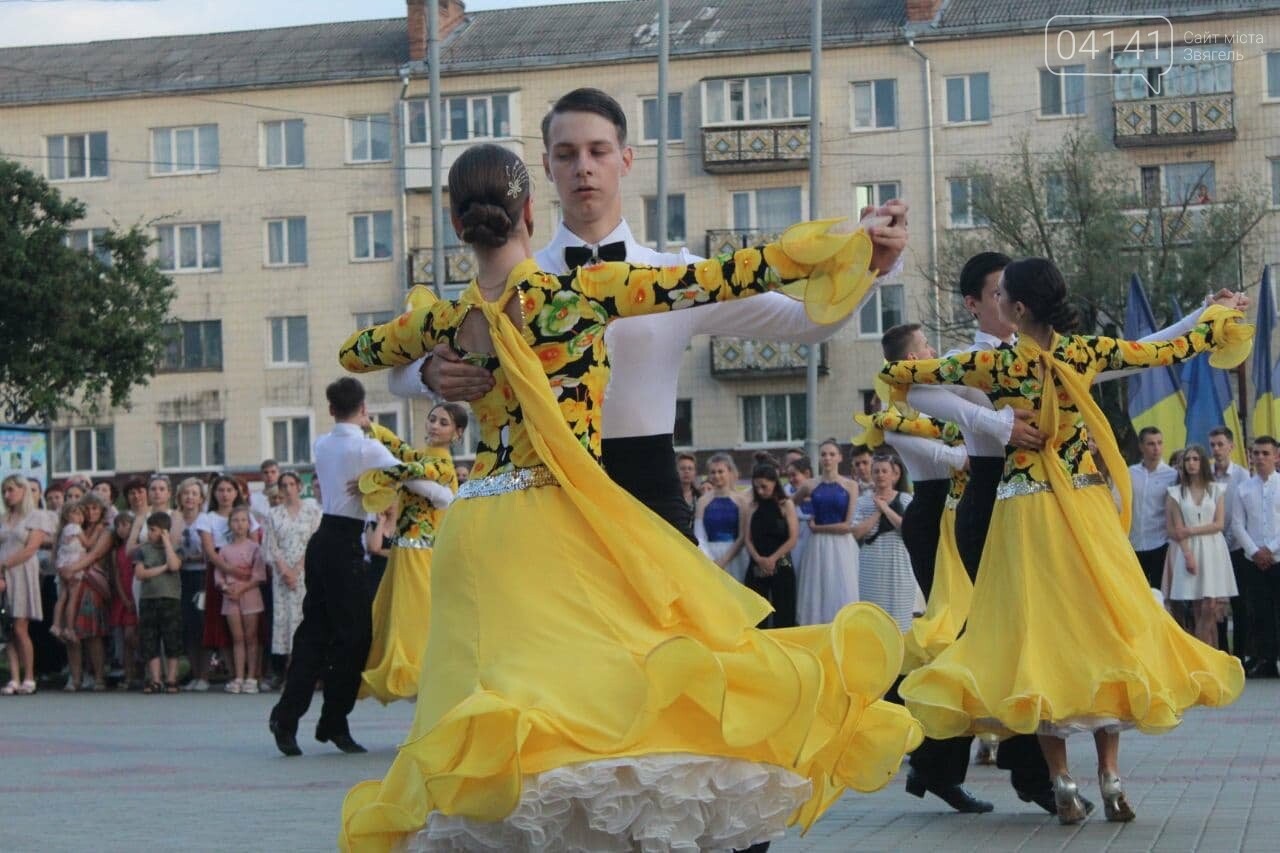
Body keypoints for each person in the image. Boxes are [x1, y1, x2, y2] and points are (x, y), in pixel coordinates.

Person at [335, 143, 919, 851]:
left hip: (474, 529)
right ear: (528, 208)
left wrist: (434, 355)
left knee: (500, 713)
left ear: (459, 224)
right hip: (561, 512)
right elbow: (732, 273)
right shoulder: (587, 290)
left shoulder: (446, 319)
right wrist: (849, 242)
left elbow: (358, 351)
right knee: (613, 697)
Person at [398, 87, 907, 545]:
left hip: (652, 490)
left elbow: (804, 324)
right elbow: (396, 358)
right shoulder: (512, 281)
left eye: (598, 151)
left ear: (625, 159)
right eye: (566, 154)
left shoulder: (676, 274)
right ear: (547, 168)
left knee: (674, 645)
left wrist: (870, 269)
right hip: (549, 495)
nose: (584, 167)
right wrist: (427, 374)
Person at [883, 256, 1250, 824]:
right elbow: (1155, 350)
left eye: (1002, 291)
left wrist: (1002, 425)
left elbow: (901, 380)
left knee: (1039, 639)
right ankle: (1109, 775)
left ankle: (1061, 781)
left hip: (1025, 513)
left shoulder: (995, 363)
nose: (997, 296)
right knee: (1103, 626)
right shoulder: (1085, 352)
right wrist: (1209, 317)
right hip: (1086, 505)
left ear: (1018, 307)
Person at [269, 378, 443, 757]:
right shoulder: (369, 449)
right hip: (345, 546)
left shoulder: (321, 444)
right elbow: (419, 482)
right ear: (364, 409)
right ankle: (332, 720)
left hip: (323, 542)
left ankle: (287, 716)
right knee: (355, 637)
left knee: (315, 632)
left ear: (331, 409)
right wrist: (450, 495)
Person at [359, 401, 462, 704]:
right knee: (402, 620)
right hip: (405, 550)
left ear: (457, 434)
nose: (434, 425)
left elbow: (408, 467)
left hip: (418, 553)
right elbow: (404, 454)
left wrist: (373, 479)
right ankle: (422, 689)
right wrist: (373, 428)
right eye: (432, 420)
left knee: (413, 623)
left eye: (443, 422)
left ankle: (423, 683)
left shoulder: (441, 465)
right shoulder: (426, 458)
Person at [1165, 445, 1236, 647]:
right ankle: (1203, 659)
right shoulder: (1176, 493)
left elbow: (1219, 524)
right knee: (1197, 607)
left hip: (1213, 548)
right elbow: (1177, 529)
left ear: (1202, 462)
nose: (1191, 463)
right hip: (1190, 550)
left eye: (1195, 459)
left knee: (1210, 606)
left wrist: (1192, 530)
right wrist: (1188, 555)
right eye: (1188, 460)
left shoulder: (1216, 490)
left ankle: (1207, 655)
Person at [196, 475, 259, 685]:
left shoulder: (247, 516)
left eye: (229, 490)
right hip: (221, 574)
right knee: (222, 625)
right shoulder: (208, 518)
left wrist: (246, 575)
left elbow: (255, 545)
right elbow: (210, 551)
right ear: (214, 493)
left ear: (236, 493)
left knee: (251, 628)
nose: (225, 494)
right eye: (220, 490)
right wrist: (229, 570)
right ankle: (234, 673)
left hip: (248, 575)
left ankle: (253, 675)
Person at [792, 439, 860, 626]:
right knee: (817, 590)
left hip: (842, 545)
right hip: (817, 546)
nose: (827, 458)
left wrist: (817, 527)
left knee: (842, 588)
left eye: (831, 454)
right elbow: (789, 504)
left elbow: (847, 525)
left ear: (839, 457)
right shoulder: (809, 485)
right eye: (823, 454)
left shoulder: (850, 486)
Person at [1230, 436, 1280, 679]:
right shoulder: (1243, 488)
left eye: (1265, 453)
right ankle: (1266, 660)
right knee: (1259, 612)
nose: (1259, 458)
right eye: (1256, 453)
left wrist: (1270, 549)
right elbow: (1238, 525)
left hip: (1278, 557)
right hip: (1254, 561)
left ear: (1276, 456)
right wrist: (1255, 552)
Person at [1, 473, 55, 694]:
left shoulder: (36, 516)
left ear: (23, 491)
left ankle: (29, 676)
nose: (7, 495)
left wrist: (4, 565)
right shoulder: (4, 518)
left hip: (21, 571)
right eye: (4, 491)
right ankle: (14, 677)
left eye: (11, 490)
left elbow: (32, 548)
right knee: (7, 627)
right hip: (3, 574)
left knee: (21, 627)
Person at [266, 471, 321, 680]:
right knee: (285, 619)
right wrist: (285, 570)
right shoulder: (274, 514)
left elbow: (315, 542)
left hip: (307, 572)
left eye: (292, 484)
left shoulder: (312, 511)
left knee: (305, 618)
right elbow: (271, 545)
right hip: (282, 577)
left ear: (299, 486)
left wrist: (298, 569)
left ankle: (307, 671)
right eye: (284, 485)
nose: (288, 489)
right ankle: (289, 670)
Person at [852, 453, 916, 632]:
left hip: (898, 564)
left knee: (900, 617)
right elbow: (856, 532)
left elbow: (908, 530)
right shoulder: (863, 502)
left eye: (884, 471)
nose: (880, 475)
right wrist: (877, 513)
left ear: (894, 475)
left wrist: (886, 508)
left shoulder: (905, 499)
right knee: (873, 618)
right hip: (872, 565)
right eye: (876, 471)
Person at [60, 493, 113, 692]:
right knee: (71, 631)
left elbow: (95, 554)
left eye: (95, 508)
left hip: (91, 584)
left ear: (101, 511)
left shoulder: (106, 530)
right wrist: (65, 569)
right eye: (87, 508)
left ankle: (98, 677)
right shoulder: (73, 529)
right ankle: (75, 678)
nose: (91, 512)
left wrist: (72, 568)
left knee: (93, 633)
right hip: (70, 582)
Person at [1208, 426, 1252, 663]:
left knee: (1240, 603)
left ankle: (1241, 655)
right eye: (1213, 445)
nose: (1216, 449)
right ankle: (1222, 653)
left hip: (1236, 550)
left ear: (1231, 446)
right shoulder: (1206, 476)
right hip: (1212, 549)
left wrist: (1226, 543)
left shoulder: (1243, 477)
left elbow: (1241, 518)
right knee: (1216, 604)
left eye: (1220, 444)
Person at [742, 457, 799, 629]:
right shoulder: (751, 506)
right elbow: (747, 538)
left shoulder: (785, 504)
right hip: (757, 561)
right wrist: (759, 559)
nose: (760, 491)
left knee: (784, 608)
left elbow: (793, 538)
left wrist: (773, 559)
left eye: (764, 486)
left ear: (774, 483)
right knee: (757, 611)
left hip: (782, 560)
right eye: (756, 487)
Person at [216, 506, 267, 694]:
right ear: (230, 524)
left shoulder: (255, 548)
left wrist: (243, 588)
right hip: (230, 596)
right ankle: (238, 676)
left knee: (251, 637)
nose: (239, 524)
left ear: (249, 524)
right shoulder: (224, 550)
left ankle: (252, 677)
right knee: (237, 638)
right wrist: (225, 587)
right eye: (235, 520)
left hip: (250, 594)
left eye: (243, 520)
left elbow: (259, 574)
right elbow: (218, 575)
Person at [133, 511, 183, 693]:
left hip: (170, 599)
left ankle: (171, 678)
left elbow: (175, 565)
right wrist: (162, 568)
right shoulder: (142, 550)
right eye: (149, 529)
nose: (149, 533)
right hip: (149, 599)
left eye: (153, 530)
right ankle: (155, 679)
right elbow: (140, 574)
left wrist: (167, 542)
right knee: (150, 639)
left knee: (172, 639)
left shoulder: (175, 548)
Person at [172, 478, 211, 691]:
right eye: (186, 493)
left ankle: (204, 674)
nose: (190, 497)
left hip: (201, 577)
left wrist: (193, 559)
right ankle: (194, 674)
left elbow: (208, 551)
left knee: (201, 623)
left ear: (201, 498)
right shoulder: (174, 519)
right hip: (180, 577)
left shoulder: (205, 519)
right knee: (187, 625)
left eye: (194, 493)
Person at [1131, 428, 1177, 589]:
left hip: (1160, 543)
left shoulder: (1172, 475)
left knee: (1160, 594)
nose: (1156, 448)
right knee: (1137, 591)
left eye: (1159, 443)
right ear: (1141, 447)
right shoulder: (1131, 473)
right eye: (1151, 444)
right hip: (1134, 543)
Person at [693, 453, 748, 583]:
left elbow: (742, 536)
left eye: (720, 471)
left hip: (735, 556)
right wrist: (709, 559)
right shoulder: (703, 501)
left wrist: (724, 560)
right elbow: (699, 534)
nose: (716, 476)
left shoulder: (741, 501)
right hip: (709, 556)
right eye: (712, 472)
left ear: (729, 472)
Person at [107, 511, 141, 690]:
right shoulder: (116, 552)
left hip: (137, 593)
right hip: (123, 597)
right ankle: (128, 675)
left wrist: (135, 598)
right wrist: (123, 597)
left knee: (133, 635)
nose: (122, 529)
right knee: (125, 638)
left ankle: (142, 667)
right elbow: (117, 577)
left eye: (126, 524)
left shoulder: (138, 548)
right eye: (118, 525)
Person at [50, 500, 91, 640]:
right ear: (68, 516)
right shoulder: (75, 528)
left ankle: (56, 625)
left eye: (81, 515)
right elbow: (87, 543)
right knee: (72, 599)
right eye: (77, 514)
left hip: (62, 566)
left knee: (62, 598)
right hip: (73, 567)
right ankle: (69, 628)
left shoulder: (62, 530)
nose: (80, 518)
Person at [785, 454, 814, 574]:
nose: (791, 480)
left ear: (806, 474)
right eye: (789, 476)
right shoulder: (786, 493)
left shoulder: (818, 493)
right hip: (795, 541)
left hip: (813, 541)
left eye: (794, 475)